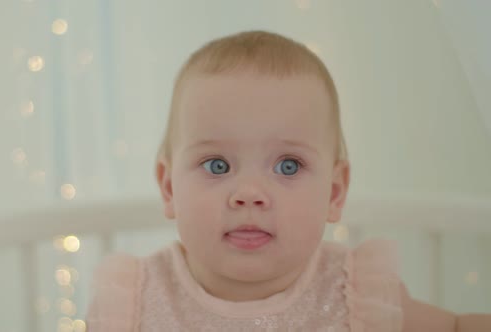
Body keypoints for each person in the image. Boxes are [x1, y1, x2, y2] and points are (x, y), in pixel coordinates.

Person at [86, 30, 491, 331]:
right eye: (217, 166)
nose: (248, 195)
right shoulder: (133, 304)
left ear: (334, 193)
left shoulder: (358, 297)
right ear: (169, 188)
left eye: (288, 166)